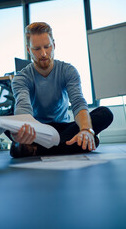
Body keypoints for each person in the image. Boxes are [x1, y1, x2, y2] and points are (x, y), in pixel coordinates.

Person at [10, 22, 113, 158]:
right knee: (10, 129)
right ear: (29, 50)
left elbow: (78, 102)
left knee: (105, 113)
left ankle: (36, 149)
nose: (44, 53)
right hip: (37, 131)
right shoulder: (21, 78)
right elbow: (23, 106)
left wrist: (85, 129)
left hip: (64, 128)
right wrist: (21, 130)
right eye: (37, 49)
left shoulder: (68, 71)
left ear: (54, 45)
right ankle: (73, 144)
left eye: (47, 47)